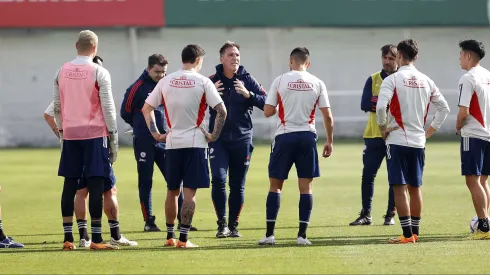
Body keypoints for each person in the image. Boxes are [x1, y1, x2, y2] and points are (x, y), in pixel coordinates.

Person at [44, 55, 137, 248]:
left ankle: (80, 236)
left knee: (78, 190)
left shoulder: (69, 86)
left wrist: (61, 133)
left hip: (74, 141)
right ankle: (112, 234)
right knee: (106, 188)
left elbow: (50, 112)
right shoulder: (97, 84)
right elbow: (109, 110)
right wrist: (113, 140)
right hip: (95, 140)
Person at [142, 44, 226, 248]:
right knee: (190, 193)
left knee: (172, 191)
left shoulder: (166, 80)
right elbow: (222, 111)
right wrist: (213, 135)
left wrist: (156, 134)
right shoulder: (203, 81)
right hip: (195, 142)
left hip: (172, 143)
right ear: (198, 60)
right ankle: (183, 239)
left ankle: (169, 236)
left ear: (182, 59)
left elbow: (147, 108)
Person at [376, 39, 450, 244]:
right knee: (415, 187)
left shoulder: (392, 80)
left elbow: (381, 108)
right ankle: (414, 232)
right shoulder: (427, 80)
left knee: (399, 187)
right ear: (416, 57)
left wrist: (383, 128)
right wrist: (430, 131)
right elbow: (444, 109)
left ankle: (407, 235)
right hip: (418, 141)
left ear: (399, 55)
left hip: (397, 139)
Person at [258, 47, 334, 245]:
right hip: (307, 137)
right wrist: (329, 141)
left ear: (290, 61)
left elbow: (267, 112)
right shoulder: (317, 82)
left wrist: (267, 99)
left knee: (275, 185)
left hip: (285, 136)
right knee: (305, 188)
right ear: (308, 63)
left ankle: (270, 235)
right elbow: (328, 116)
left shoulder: (281, 80)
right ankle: (302, 236)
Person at [53, 30, 119, 250]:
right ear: (95, 48)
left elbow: (57, 106)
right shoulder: (99, 71)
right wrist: (113, 136)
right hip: (94, 134)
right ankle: (97, 239)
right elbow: (108, 106)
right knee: (96, 182)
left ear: (76, 46)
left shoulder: (62, 70)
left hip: (71, 133)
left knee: (70, 183)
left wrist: (63, 130)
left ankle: (68, 238)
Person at [121, 54, 197, 232]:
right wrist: (140, 126)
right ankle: (149, 221)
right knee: (146, 181)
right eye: (157, 72)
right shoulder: (137, 88)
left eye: (164, 72)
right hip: (144, 142)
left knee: (174, 181)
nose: (161, 75)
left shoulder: (168, 84)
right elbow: (125, 112)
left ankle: (181, 219)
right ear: (149, 69)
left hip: (165, 141)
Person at [208, 41, 267, 238]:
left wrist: (248, 94)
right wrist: (209, 96)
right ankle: (221, 224)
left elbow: (268, 104)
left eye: (237, 55)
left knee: (237, 184)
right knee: (218, 179)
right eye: (231, 55)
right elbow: (196, 107)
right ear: (221, 58)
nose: (235, 58)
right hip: (218, 139)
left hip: (242, 139)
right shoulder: (211, 81)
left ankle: (233, 226)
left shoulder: (247, 79)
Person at [350, 44, 398, 226]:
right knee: (368, 175)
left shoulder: (401, 79)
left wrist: (379, 102)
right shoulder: (373, 79)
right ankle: (366, 214)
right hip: (373, 135)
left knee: (395, 177)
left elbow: (396, 105)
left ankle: (390, 214)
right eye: (385, 58)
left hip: (395, 135)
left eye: (391, 58)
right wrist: (385, 103)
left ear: (397, 59)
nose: (387, 61)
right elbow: (364, 103)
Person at [456, 39, 490, 239]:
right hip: (488, 134)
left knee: (472, 180)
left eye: (461, 54)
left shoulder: (468, 78)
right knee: (483, 180)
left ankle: (483, 226)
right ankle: (485, 220)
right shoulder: (488, 75)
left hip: (473, 134)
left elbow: (464, 111)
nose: (459, 58)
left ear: (468, 56)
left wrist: (458, 126)